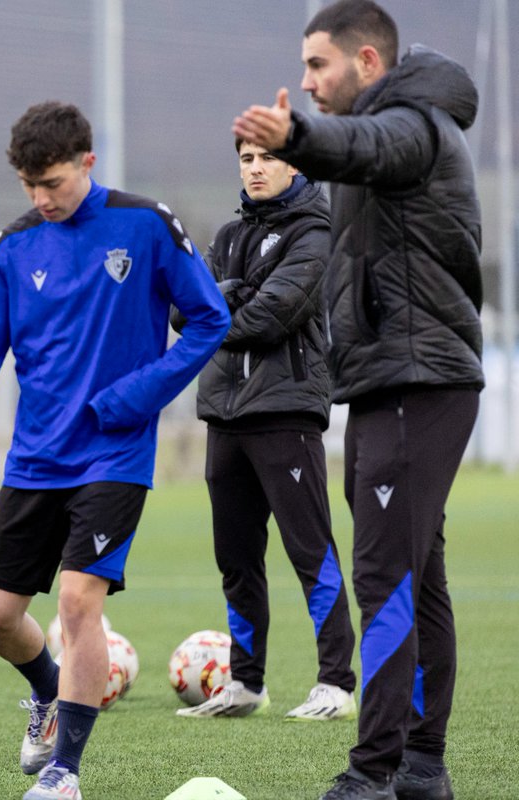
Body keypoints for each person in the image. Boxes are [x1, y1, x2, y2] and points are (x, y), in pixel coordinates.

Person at [0, 101, 230, 800]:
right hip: (35, 461)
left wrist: (139, 396)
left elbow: (208, 320)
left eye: (53, 183)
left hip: (114, 454)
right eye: (29, 186)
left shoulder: (146, 226)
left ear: (88, 162)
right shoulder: (14, 247)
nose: (41, 199)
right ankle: (48, 693)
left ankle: (64, 772)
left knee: (79, 603)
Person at [234, 2, 484, 798]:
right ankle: (420, 765)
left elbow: (363, 145)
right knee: (417, 575)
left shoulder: (411, 128)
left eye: (317, 66)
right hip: (388, 382)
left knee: (383, 578)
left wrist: (297, 139)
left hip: (419, 380)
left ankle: (372, 772)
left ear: (367, 63)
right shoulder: (385, 133)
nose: (307, 83)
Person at [174, 139, 358, 721]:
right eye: (246, 158)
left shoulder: (315, 230)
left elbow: (272, 314)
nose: (255, 168)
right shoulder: (228, 236)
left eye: (267, 158)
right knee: (236, 557)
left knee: (311, 550)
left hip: (286, 411)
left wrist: (221, 302)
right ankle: (247, 683)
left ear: (294, 164)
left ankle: (337, 683)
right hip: (224, 413)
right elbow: (182, 308)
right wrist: (222, 303)